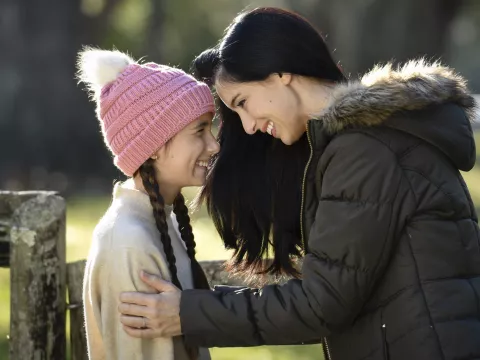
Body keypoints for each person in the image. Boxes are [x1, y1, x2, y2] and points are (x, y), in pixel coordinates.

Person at [117, 7, 480, 360]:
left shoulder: (366, 150)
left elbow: (322, 305)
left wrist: (188, 314)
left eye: (243, 102)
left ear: (279, 74)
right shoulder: (359, 144)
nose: (248, 125)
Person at [77, 48, 219, 360]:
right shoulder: (128, 241)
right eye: (200, 130)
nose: (214, 145)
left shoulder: (156, 223)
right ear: (153, 146)